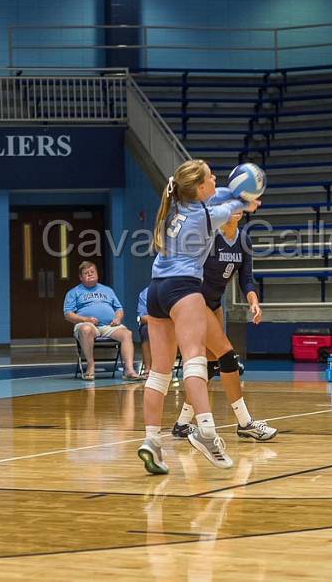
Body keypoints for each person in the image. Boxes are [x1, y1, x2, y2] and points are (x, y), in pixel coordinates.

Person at [137, 159, 258, 475]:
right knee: (194, 360)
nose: (215, 178)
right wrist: (249, 196)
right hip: (183, 289)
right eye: (210, 176)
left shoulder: (176, 202)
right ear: (200, 187)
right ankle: (205, 432)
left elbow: (220, 196)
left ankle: (151, 440)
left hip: (156, 290)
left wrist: (235, 194)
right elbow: (232, 206)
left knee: (159, 373)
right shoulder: (206, 217)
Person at [171, 208, 277, 441]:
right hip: (195, 301)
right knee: (228, 357)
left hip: (215, 304)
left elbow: (246, 279)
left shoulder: (243, 239)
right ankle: (245, 423)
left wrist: (253, 301)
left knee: (209, 365)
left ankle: (181, 424)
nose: (237, 208)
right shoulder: (210, 238)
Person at [63, 261, 141, 381]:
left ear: (97, 273)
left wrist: (118, 318)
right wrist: (85, 319)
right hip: (87, 324)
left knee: (127, 333)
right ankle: (90, 365)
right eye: (86, 273)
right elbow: (68, 314)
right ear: (80, 277)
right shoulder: (74, 292)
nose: (90, 274)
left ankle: (129, 370)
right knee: (86, 329)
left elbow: (119, 308)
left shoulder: (107, 290)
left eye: (92, 272)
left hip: (109, 326)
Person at [136, 286, 151, 377]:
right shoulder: (146, 292)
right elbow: (142, 318)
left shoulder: (176, 288)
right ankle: (148, 368)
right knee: (145, 329)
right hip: (155, 323)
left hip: (174, 324)